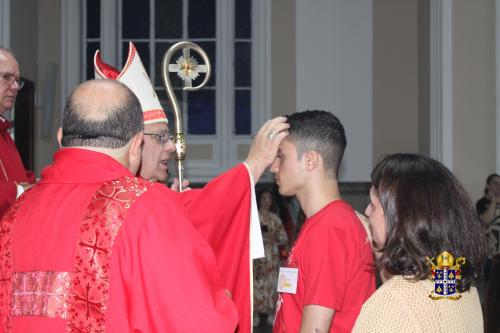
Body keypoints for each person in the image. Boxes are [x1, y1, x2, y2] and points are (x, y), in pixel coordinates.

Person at [0, 79, 287, 332]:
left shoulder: (16, 211)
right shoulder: (145, 206)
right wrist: (222, 305)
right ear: (137, 144)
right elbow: (194, 322)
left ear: (62, 137)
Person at [93, 42, 289, 331]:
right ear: (135, 142)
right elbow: (201, 213)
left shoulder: (129, 193)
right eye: (161, 137)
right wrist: (254, 164)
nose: (171, 146)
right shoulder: (136, 199)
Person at [353, 153, 487, 332]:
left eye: (373, 205)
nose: (367, 212)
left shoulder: (389, 305)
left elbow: (400, 303)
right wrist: (380, 248)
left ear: (399, 218)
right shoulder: (458, 285)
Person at [271, 110, 375, 333]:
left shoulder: (329, 228)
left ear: (310, 160)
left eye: (281, 156)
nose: (274, 167)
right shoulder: (325, 222)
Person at [0, 47, 35, 219]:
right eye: (7, 77)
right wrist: (19, 190)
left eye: (17, 81)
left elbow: (19, 176)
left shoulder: (3, 131)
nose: (15, 87)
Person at [253, 188, 288, 327]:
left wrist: (274, 237)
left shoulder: (275, 218)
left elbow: (284, 238)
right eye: (264, 198)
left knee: (272, 285)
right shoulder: (254, 217)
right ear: (259, 200)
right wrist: (261, 237)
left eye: (269, 199)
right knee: (256, 286)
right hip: (258, 258)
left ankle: (271, 315)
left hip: (272, 257)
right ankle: (254, 315)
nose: (266, 201)